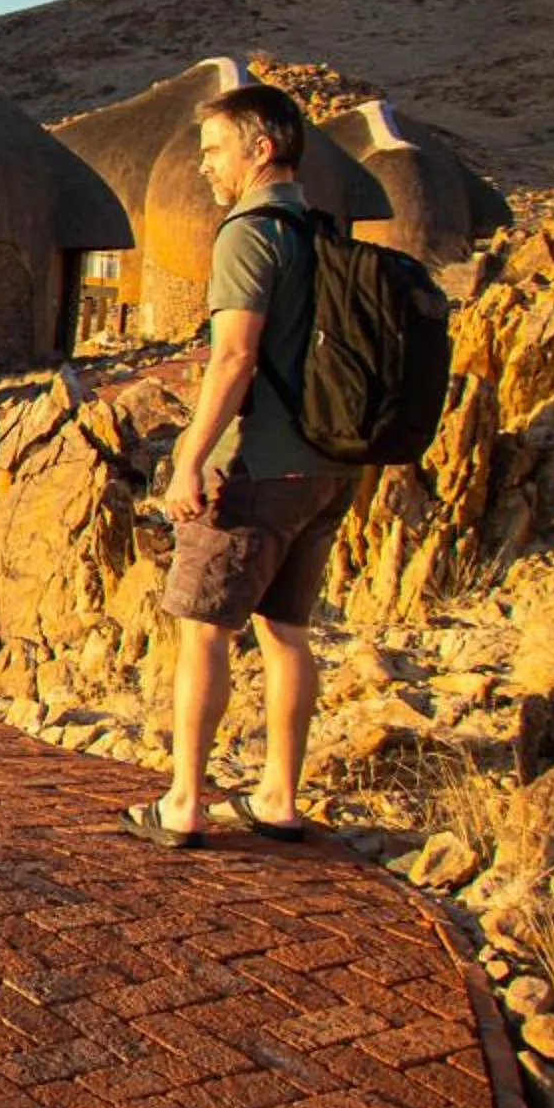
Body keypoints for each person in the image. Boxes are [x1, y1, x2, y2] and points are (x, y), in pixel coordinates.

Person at [124, 82, 358, 850]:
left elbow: (233, 357)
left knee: (204, 633)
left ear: (261, 149)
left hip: (253, 469)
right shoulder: (321, 230)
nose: (204, 166)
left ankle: (185, 802)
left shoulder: (249, 232)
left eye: (215, 150)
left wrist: (188, 458)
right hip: (324, 469)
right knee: (287, 633)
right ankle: (279, 799)